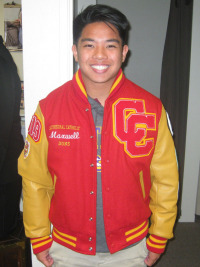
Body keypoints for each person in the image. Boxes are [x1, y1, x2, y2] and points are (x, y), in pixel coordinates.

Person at [18, 4, 179, 267]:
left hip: (131, 247)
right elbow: (35, 180)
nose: (100, 55)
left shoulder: (151, 108)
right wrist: (38, 235)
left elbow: (166, 180)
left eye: (111, 46)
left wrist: (159, 236)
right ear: (75, 51)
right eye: (90, 45)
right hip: (67, 248)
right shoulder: (50, 108)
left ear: (124, 52)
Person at [0, 35, 24, 238]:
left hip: (4, 167)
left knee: (5, 234)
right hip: (6, 165)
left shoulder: (1, 62)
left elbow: (3, 122)